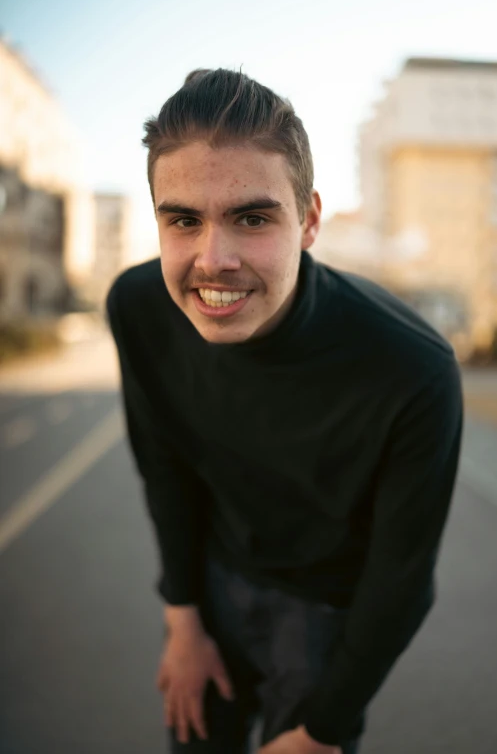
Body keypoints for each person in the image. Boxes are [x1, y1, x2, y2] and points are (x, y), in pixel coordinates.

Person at [106, 68, 463, 754]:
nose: (214, 259)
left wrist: (324, 728)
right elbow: (165, 469)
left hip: (327, 615)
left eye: (252, 217)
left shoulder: (412, 366)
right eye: (183, 219)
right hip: (210, 587)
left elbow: (403, 578)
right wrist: (182, 618)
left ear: (309, 220)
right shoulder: (138, 307)